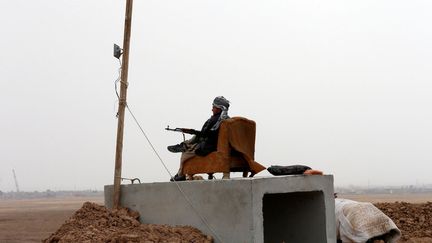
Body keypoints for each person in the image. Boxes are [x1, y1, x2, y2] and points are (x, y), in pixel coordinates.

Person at [167, 96, 230, 181]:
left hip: (208, 147)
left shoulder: (214, 120)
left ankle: (180, 174)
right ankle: (185, 144)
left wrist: (191, 131)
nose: (212, 109)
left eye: (213, 107)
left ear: (219, 109)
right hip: (214, 144)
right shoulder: (226, 119)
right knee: (194, 139)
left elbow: (204, 134)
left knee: (185, 153)